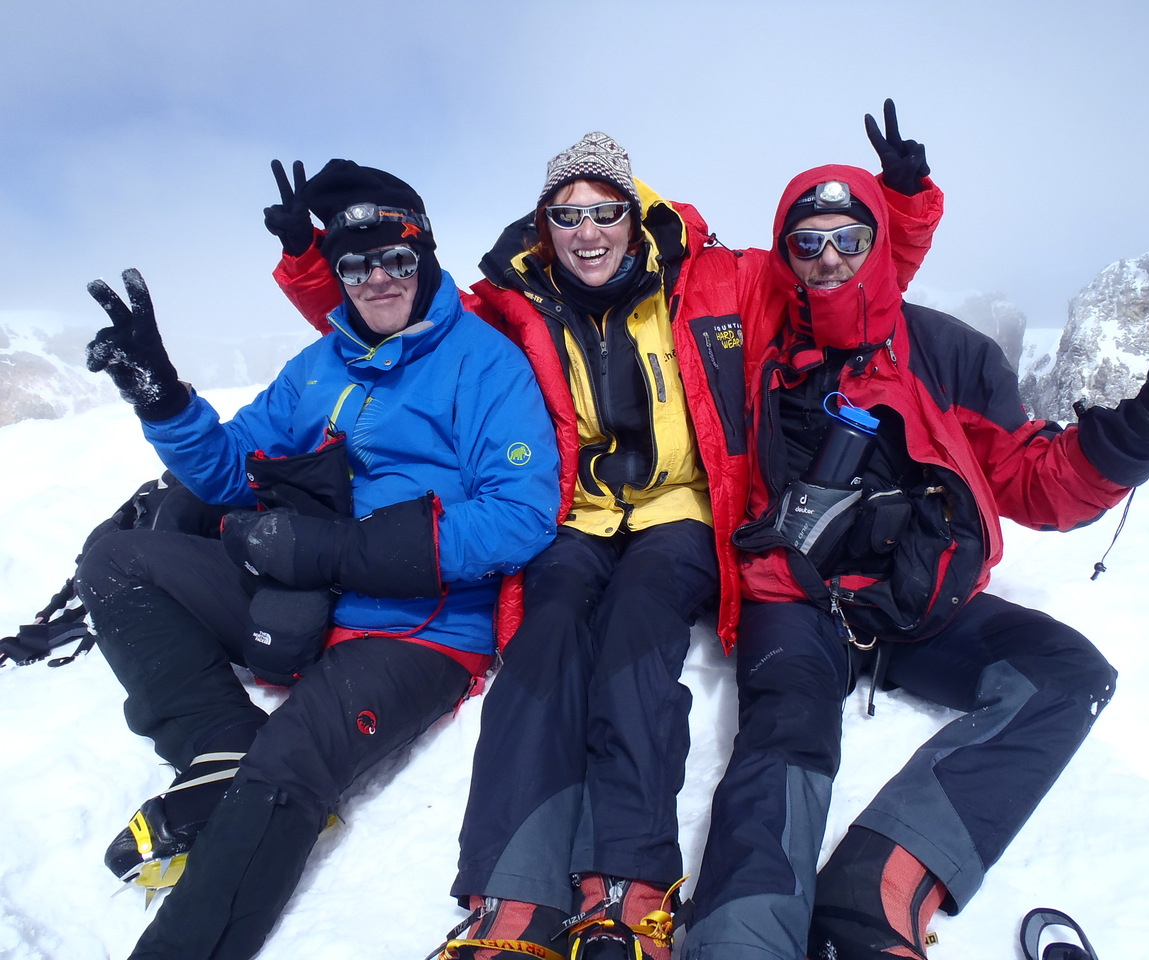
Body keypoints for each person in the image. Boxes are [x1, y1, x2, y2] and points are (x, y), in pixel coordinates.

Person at [270, 114, 942, 960]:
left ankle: (626, 885)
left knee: (638, 635)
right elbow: (391, 316)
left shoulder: (719, 278)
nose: (586, 232)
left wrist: (905, 207)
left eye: (604, 212)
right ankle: (511, 899)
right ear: (544, 228)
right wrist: (309, 262)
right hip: (575, 515)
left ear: (634, 213)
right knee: (544, 645)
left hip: (683, 509)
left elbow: (845, 282)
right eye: (566, 215)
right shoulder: (511, 299)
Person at [679, 161, 1149, 960]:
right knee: (785, 735)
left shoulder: (949, 353)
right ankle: (740, 942)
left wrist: (1145, 428)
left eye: (849, 238)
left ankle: (878, 886)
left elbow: (1037, 480)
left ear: (877, 241)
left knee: (1068, 674)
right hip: (795, 592)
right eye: (806, 241)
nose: (828, 258)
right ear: (785, 253)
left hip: (921, 597)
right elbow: (672, 242)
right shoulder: (759, 345)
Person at [76, 159, 561, 960]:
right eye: (355, 266)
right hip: (307, 589)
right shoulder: (319, 367)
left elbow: (518, 518)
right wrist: (161, 397)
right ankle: (218, 743)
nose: (376, 280)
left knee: (290, 760)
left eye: (395, 261)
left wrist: (345, 549)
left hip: (418, 631)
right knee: (116, 562)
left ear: (425, 256)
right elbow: (233, 470)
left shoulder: (485, 366)